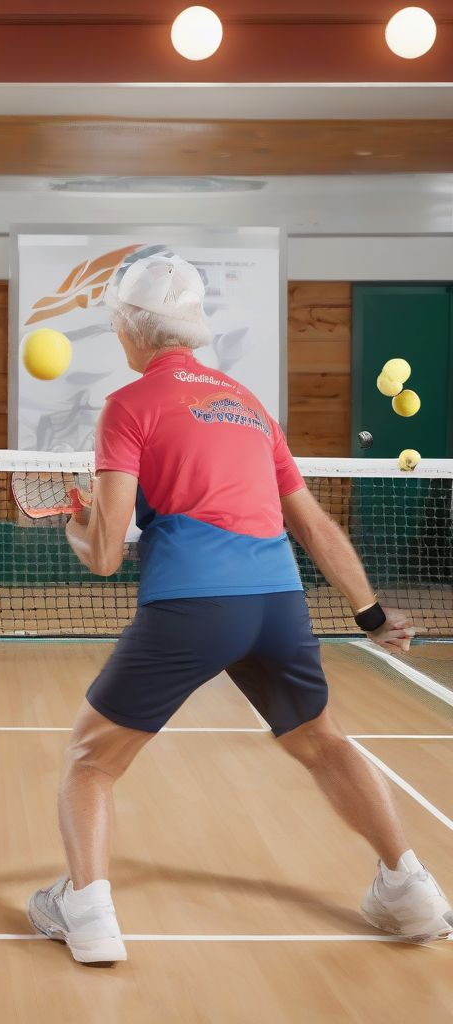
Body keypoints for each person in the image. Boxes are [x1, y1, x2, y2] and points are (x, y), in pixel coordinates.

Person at [27, 253, 453, 964]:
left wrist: (74, 523)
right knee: (324, 744)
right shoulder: (248, 404)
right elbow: (313, 524)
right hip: (278, 604)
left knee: (90, 761)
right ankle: (411, 892)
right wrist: (372, 615)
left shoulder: (126, 407)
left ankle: (89, 912)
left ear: (131, 329)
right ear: (191, 330)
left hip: (192, 602)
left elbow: (104, 555)